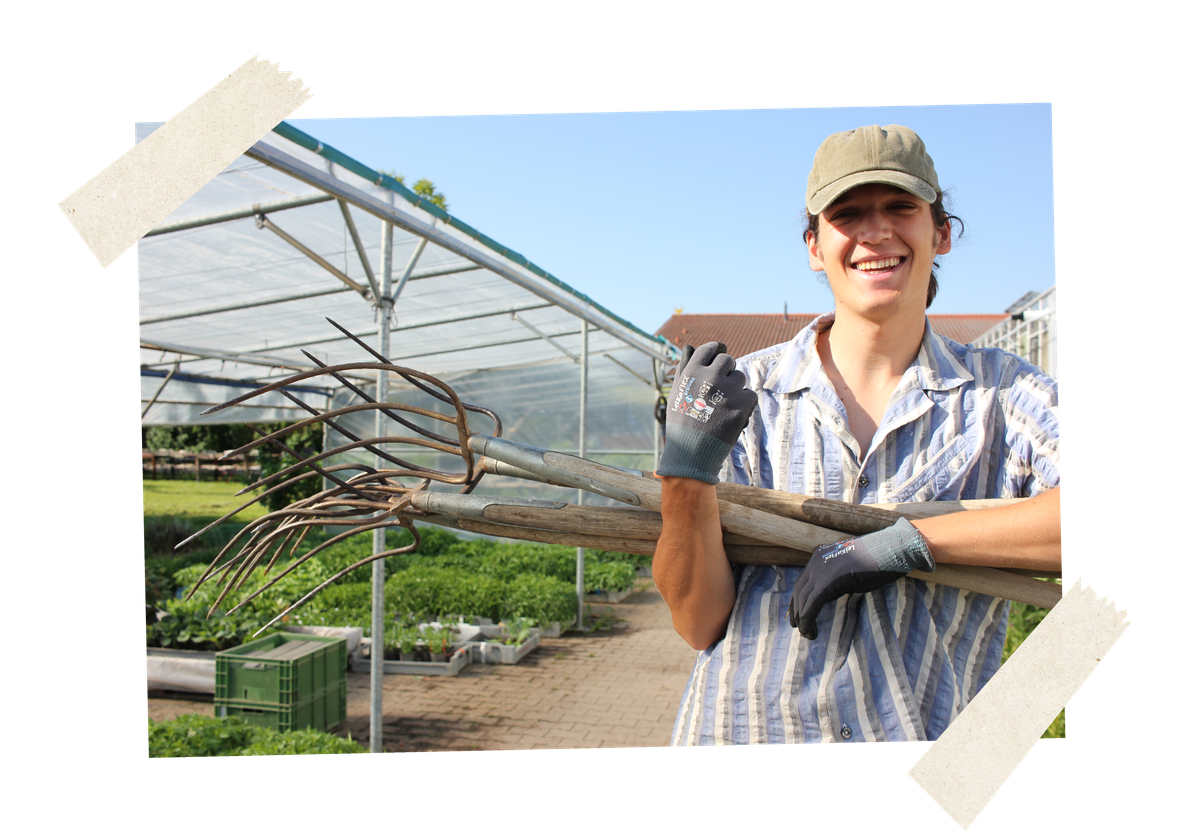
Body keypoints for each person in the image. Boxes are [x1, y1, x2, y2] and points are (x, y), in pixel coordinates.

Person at [652, 124, 1061, 745]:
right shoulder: (746, 398)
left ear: (941, 233)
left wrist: (906, 544)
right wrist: (685, 474)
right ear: (815, 246)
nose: (875, 231)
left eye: (901, 207)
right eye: (848, 214)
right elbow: (698, 622)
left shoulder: (1007, 398)